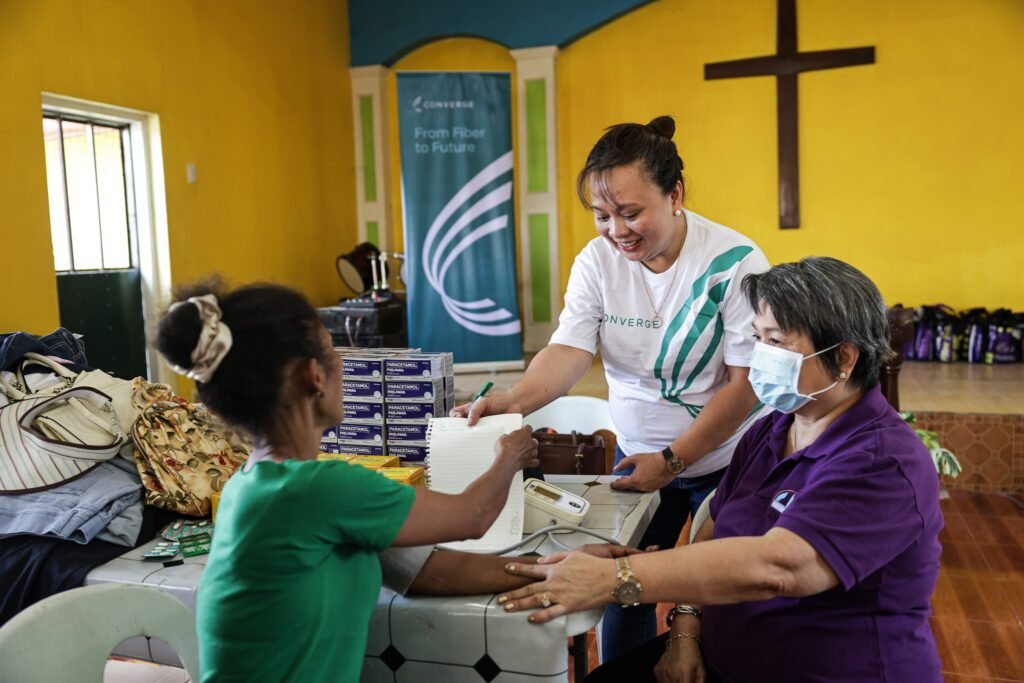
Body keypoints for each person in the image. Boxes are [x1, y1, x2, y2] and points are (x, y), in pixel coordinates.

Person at [497, 257, 944, 683]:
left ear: (844, 359)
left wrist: (620, 579)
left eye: (777, 342)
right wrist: (685, 630)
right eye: (757, 338)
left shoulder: (883, 460)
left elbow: (780, 567)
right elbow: (714, 529)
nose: (760, 355)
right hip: (721, 658)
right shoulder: (773, 429)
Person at [452, 115, 769, 660]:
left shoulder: (734, 263)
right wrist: (514, 399)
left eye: (630, 212)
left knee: (721, 592)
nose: (616, 230)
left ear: (675, 194)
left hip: (725, 457)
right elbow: (570, 349)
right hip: (636, 456)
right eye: (602, 215)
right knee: (624, 585)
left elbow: (746, 388)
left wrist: (673, 461)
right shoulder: (597, 262)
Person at [154, 279, 539, 683]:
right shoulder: (319, 489)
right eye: (332, 351)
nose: (341, 365)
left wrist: (547, 568)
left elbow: (426, 571)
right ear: (313, 375)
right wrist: (509, 455)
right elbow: (473, 516)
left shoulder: (245, 486)